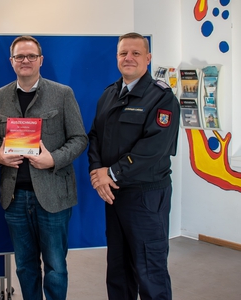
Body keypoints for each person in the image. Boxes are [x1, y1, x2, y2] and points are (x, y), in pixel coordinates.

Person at [0, 35, 88, 300]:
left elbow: (80, 139)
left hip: (53, 196)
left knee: (55, 266)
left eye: (31, 56)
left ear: (40, 60)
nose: (25, 61)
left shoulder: (62, 93)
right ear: (11, 62)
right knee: (25, 266)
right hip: (15, 196)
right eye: (19, 56)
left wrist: (53, 159)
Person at [87, 32, 180, 300]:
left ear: (148, 58)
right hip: (114, 194)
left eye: (136, 53)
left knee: (150, 271)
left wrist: (111, 173)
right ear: (116, 57)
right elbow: (95, 136)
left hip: (146, 196)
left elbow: (154, 149)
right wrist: (98, 174)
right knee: (118, 270)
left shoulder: (161, 98)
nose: (128, 58)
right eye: (123, 53)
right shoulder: (109, 94)